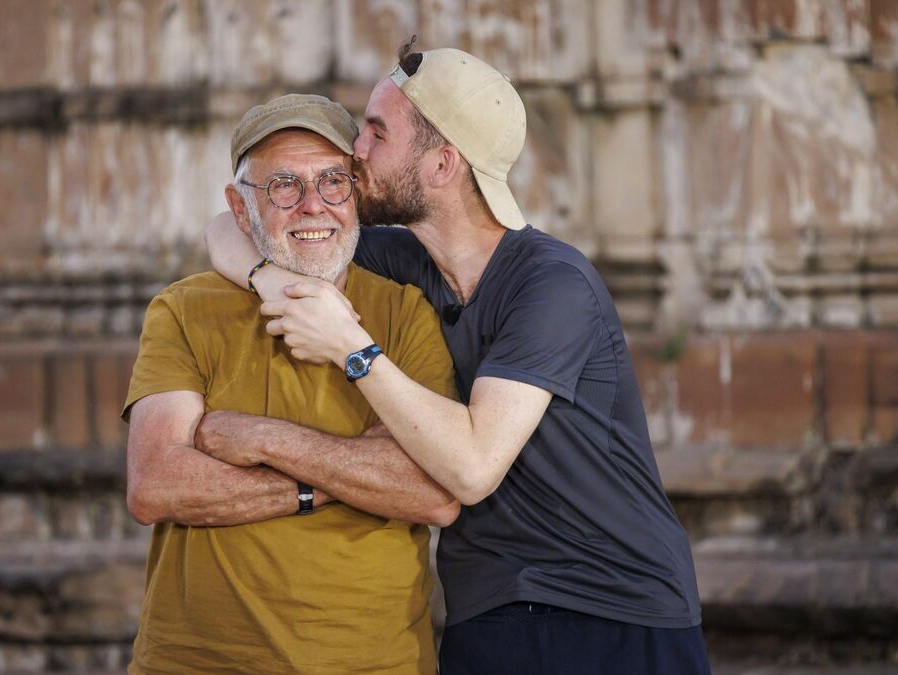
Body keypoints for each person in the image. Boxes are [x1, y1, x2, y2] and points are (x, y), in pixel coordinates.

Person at [204, 46, 712, 674]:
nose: (354, 149)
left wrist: (351, 348)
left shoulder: (552, 285)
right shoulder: (411, 262)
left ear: (442, 164)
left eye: (378, 132)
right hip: (490, 609)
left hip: (614, 611)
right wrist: (274, 283)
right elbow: (230, 226)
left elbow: (473, 469)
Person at [122, 93, 459, 675]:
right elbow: (156, 484)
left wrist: (261, 440)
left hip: (372, 663)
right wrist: (337, 479)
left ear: (357, 193)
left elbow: (432, 491)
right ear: (239, 205)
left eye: (334, 182)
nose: (313, 207)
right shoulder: (183, 309)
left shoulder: (406, 310)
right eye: (283, 185)